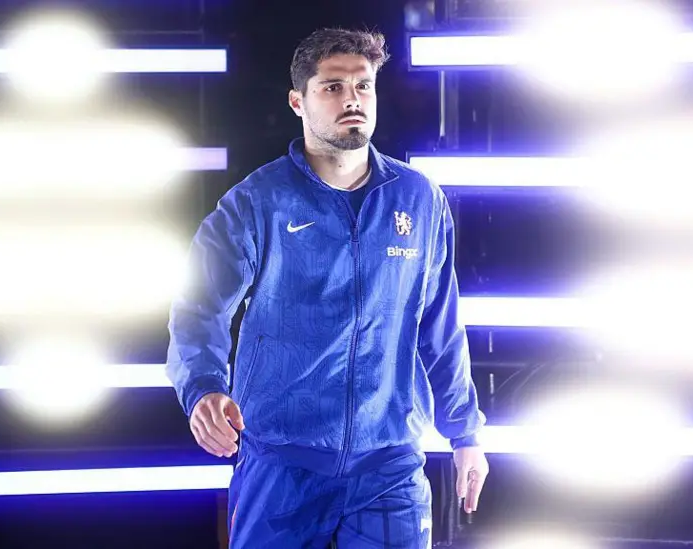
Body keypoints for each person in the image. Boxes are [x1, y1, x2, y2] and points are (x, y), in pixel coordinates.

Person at [166, 27, 488, 548]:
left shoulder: (419, 201)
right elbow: (198, 309)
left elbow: (441, 327)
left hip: (389, 464)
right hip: (281, 460)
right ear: (299, 101)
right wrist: (203, 387)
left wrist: (465, 433)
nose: (352, 100)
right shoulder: (256, 203)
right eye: (332, 87)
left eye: (363, 86)